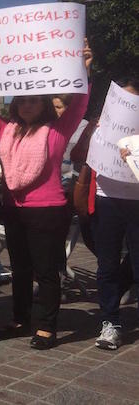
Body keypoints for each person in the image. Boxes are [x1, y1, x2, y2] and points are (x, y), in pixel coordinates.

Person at [0, 47, 92, 350]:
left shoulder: (58, 130)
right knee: (21, 269)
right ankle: (22, 319)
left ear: (43, 104)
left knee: (47, 271)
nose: (26, 105)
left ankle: (46, 326)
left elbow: (79, 104)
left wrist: (85, 70)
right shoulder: (6, 129)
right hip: (13, 209)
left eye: (33, 100)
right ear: (15, 103)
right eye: (22, 100)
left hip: (48, 211)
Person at [91, 78, 139, 351]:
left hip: (136, 203)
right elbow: (81, 156)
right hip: (106, 201)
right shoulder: (99, 129)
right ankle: (110, 322)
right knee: (107, 265)